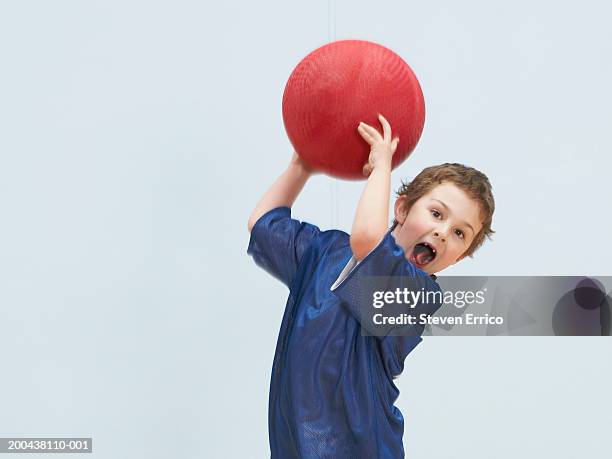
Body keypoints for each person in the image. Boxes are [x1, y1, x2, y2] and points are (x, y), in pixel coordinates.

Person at [247, 115, 495, 458]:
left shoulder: (417, 296)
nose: (442, 232)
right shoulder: (325, 250)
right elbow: (263, 224)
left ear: (456, 259)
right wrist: (300, 166)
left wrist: (381, 168)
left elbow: (367, 238)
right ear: (403, 208)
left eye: (459, 233)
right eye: (437, 214)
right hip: (297, 444)